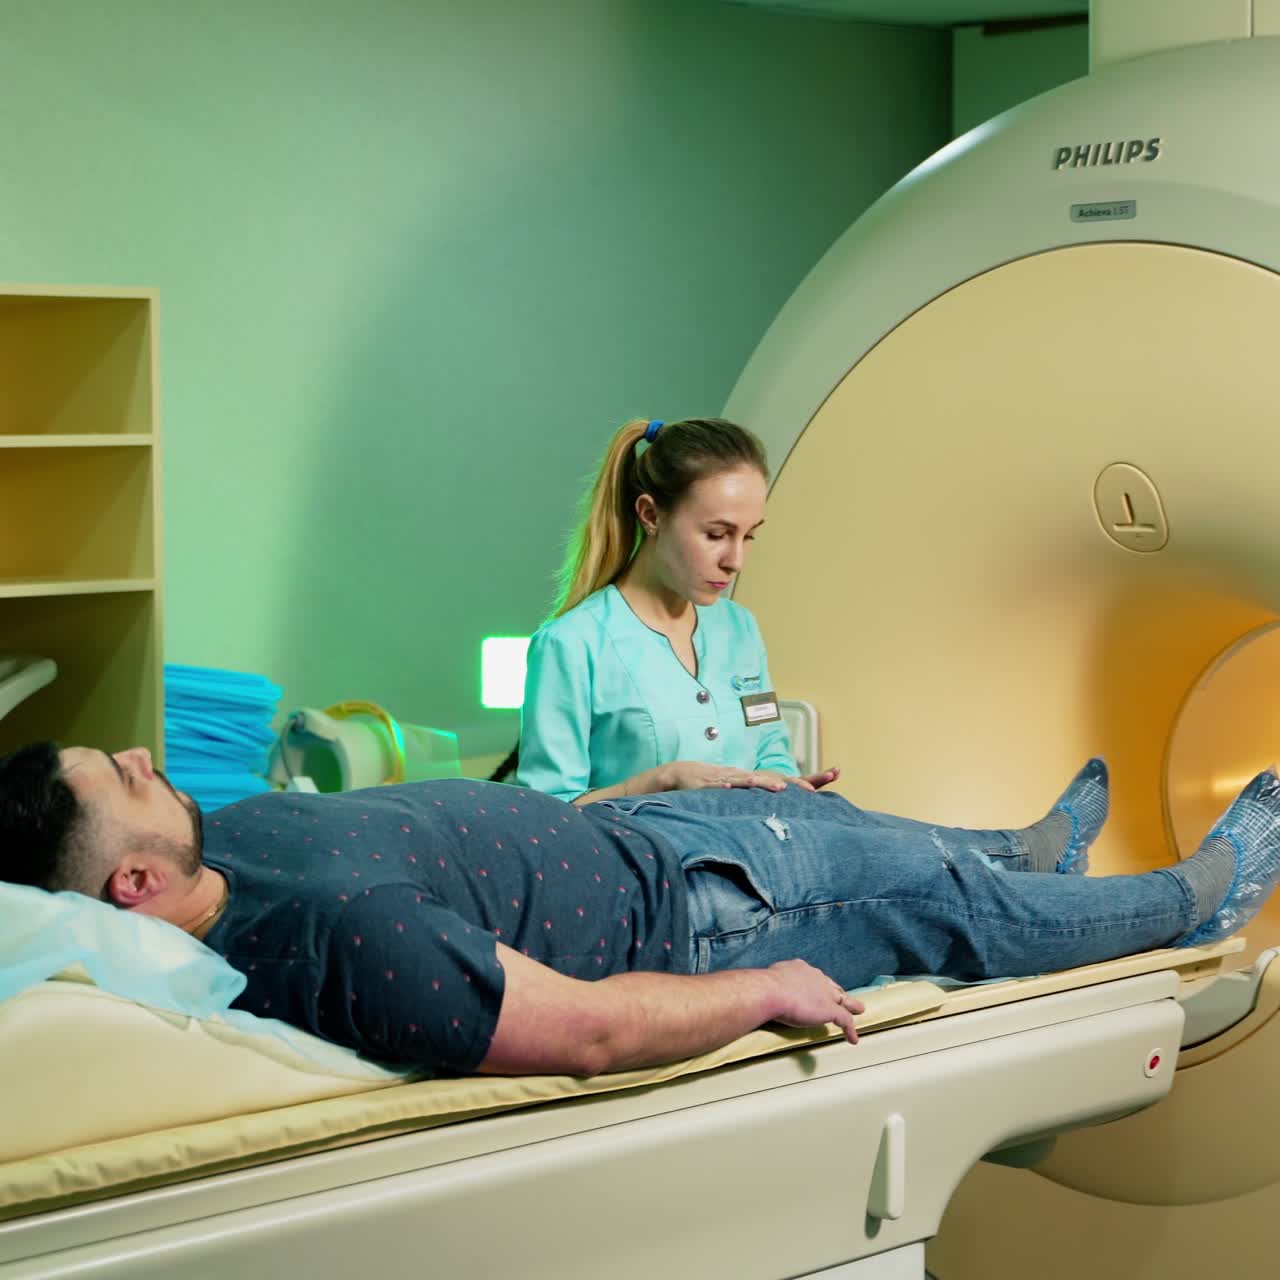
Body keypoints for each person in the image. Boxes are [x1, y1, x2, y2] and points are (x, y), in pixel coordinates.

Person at [4, 741, 1278, 1079]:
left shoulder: (225, 834)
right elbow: (586, 1031)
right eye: (116, 782)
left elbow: (455, 826)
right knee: (948, 907)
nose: (138, 757)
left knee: (867, 825)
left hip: (643, 832)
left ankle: (1031, 842)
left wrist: (640, 785)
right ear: (131, 887)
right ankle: (1194, 895)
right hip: (705, 920)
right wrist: (757, 990)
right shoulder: (337, 940)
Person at [510, 416, 836, 804]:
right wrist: (661, 780)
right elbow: (550, 814)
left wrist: (784, 782)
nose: (736, 560)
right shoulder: (571, 645)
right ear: (650, 514)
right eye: (716, 534)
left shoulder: (739, 628)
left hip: (753, 845)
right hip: (649, 859)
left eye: (748, 536)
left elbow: (769, 746)